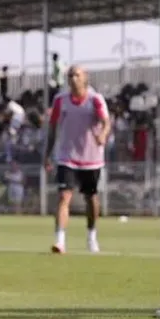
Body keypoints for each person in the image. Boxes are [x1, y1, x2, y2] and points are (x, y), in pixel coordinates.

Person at [45, 65, 111, 254]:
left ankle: (91, 235)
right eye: (70, 75)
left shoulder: (95, 99)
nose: (73, 78)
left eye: (77, 75)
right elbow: (53, 128)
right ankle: (60, 240)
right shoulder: (60, 101)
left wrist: (103, 136)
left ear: (85, 78)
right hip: (67, 157)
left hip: (91, 158)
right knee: (64, 196)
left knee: (91, 198)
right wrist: (48, 154)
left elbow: (106, 122)